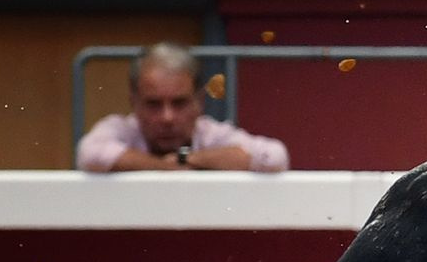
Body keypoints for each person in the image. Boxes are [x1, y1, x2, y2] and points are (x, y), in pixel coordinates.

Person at [76, 44, 289, 173]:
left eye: (179, 103)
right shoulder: (121, 128)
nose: (167, 118)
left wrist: (186, 159)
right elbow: (89, 153)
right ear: (134, 103)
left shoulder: (211, 134)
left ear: (199, 102)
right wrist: (163, 167)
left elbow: (274, 156)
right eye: (153, 104)